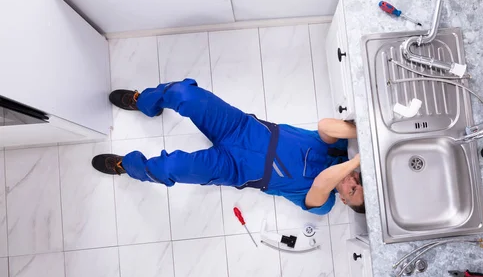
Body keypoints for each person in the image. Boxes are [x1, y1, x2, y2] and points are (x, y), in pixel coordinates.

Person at [92, 78, 365, 215]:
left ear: (344, 200)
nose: (351, 182)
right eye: (358, 181)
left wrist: (355, 162)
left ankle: (127, 166)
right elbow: (325, 126)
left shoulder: (324, 203)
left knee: (171, 167)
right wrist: (364, 138)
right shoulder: (338, 148)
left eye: (352, 192)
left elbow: (321, 181)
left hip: (232, 167)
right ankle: (145, 102)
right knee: (185, 94)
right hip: (241, 127)